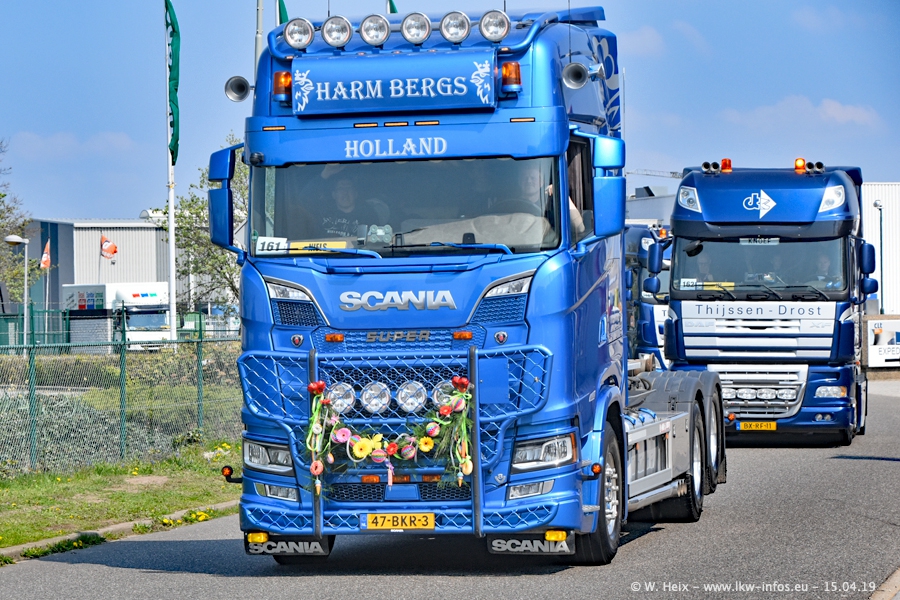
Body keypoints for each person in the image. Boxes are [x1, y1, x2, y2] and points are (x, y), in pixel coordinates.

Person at [313, 177, 378, 238]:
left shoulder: (368, 217)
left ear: (355, 194)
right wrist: (323, 175)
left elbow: (374, 241)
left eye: (349, 188)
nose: (345, 192)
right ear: (334, 195)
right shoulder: (322, 214)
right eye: (341, 189)